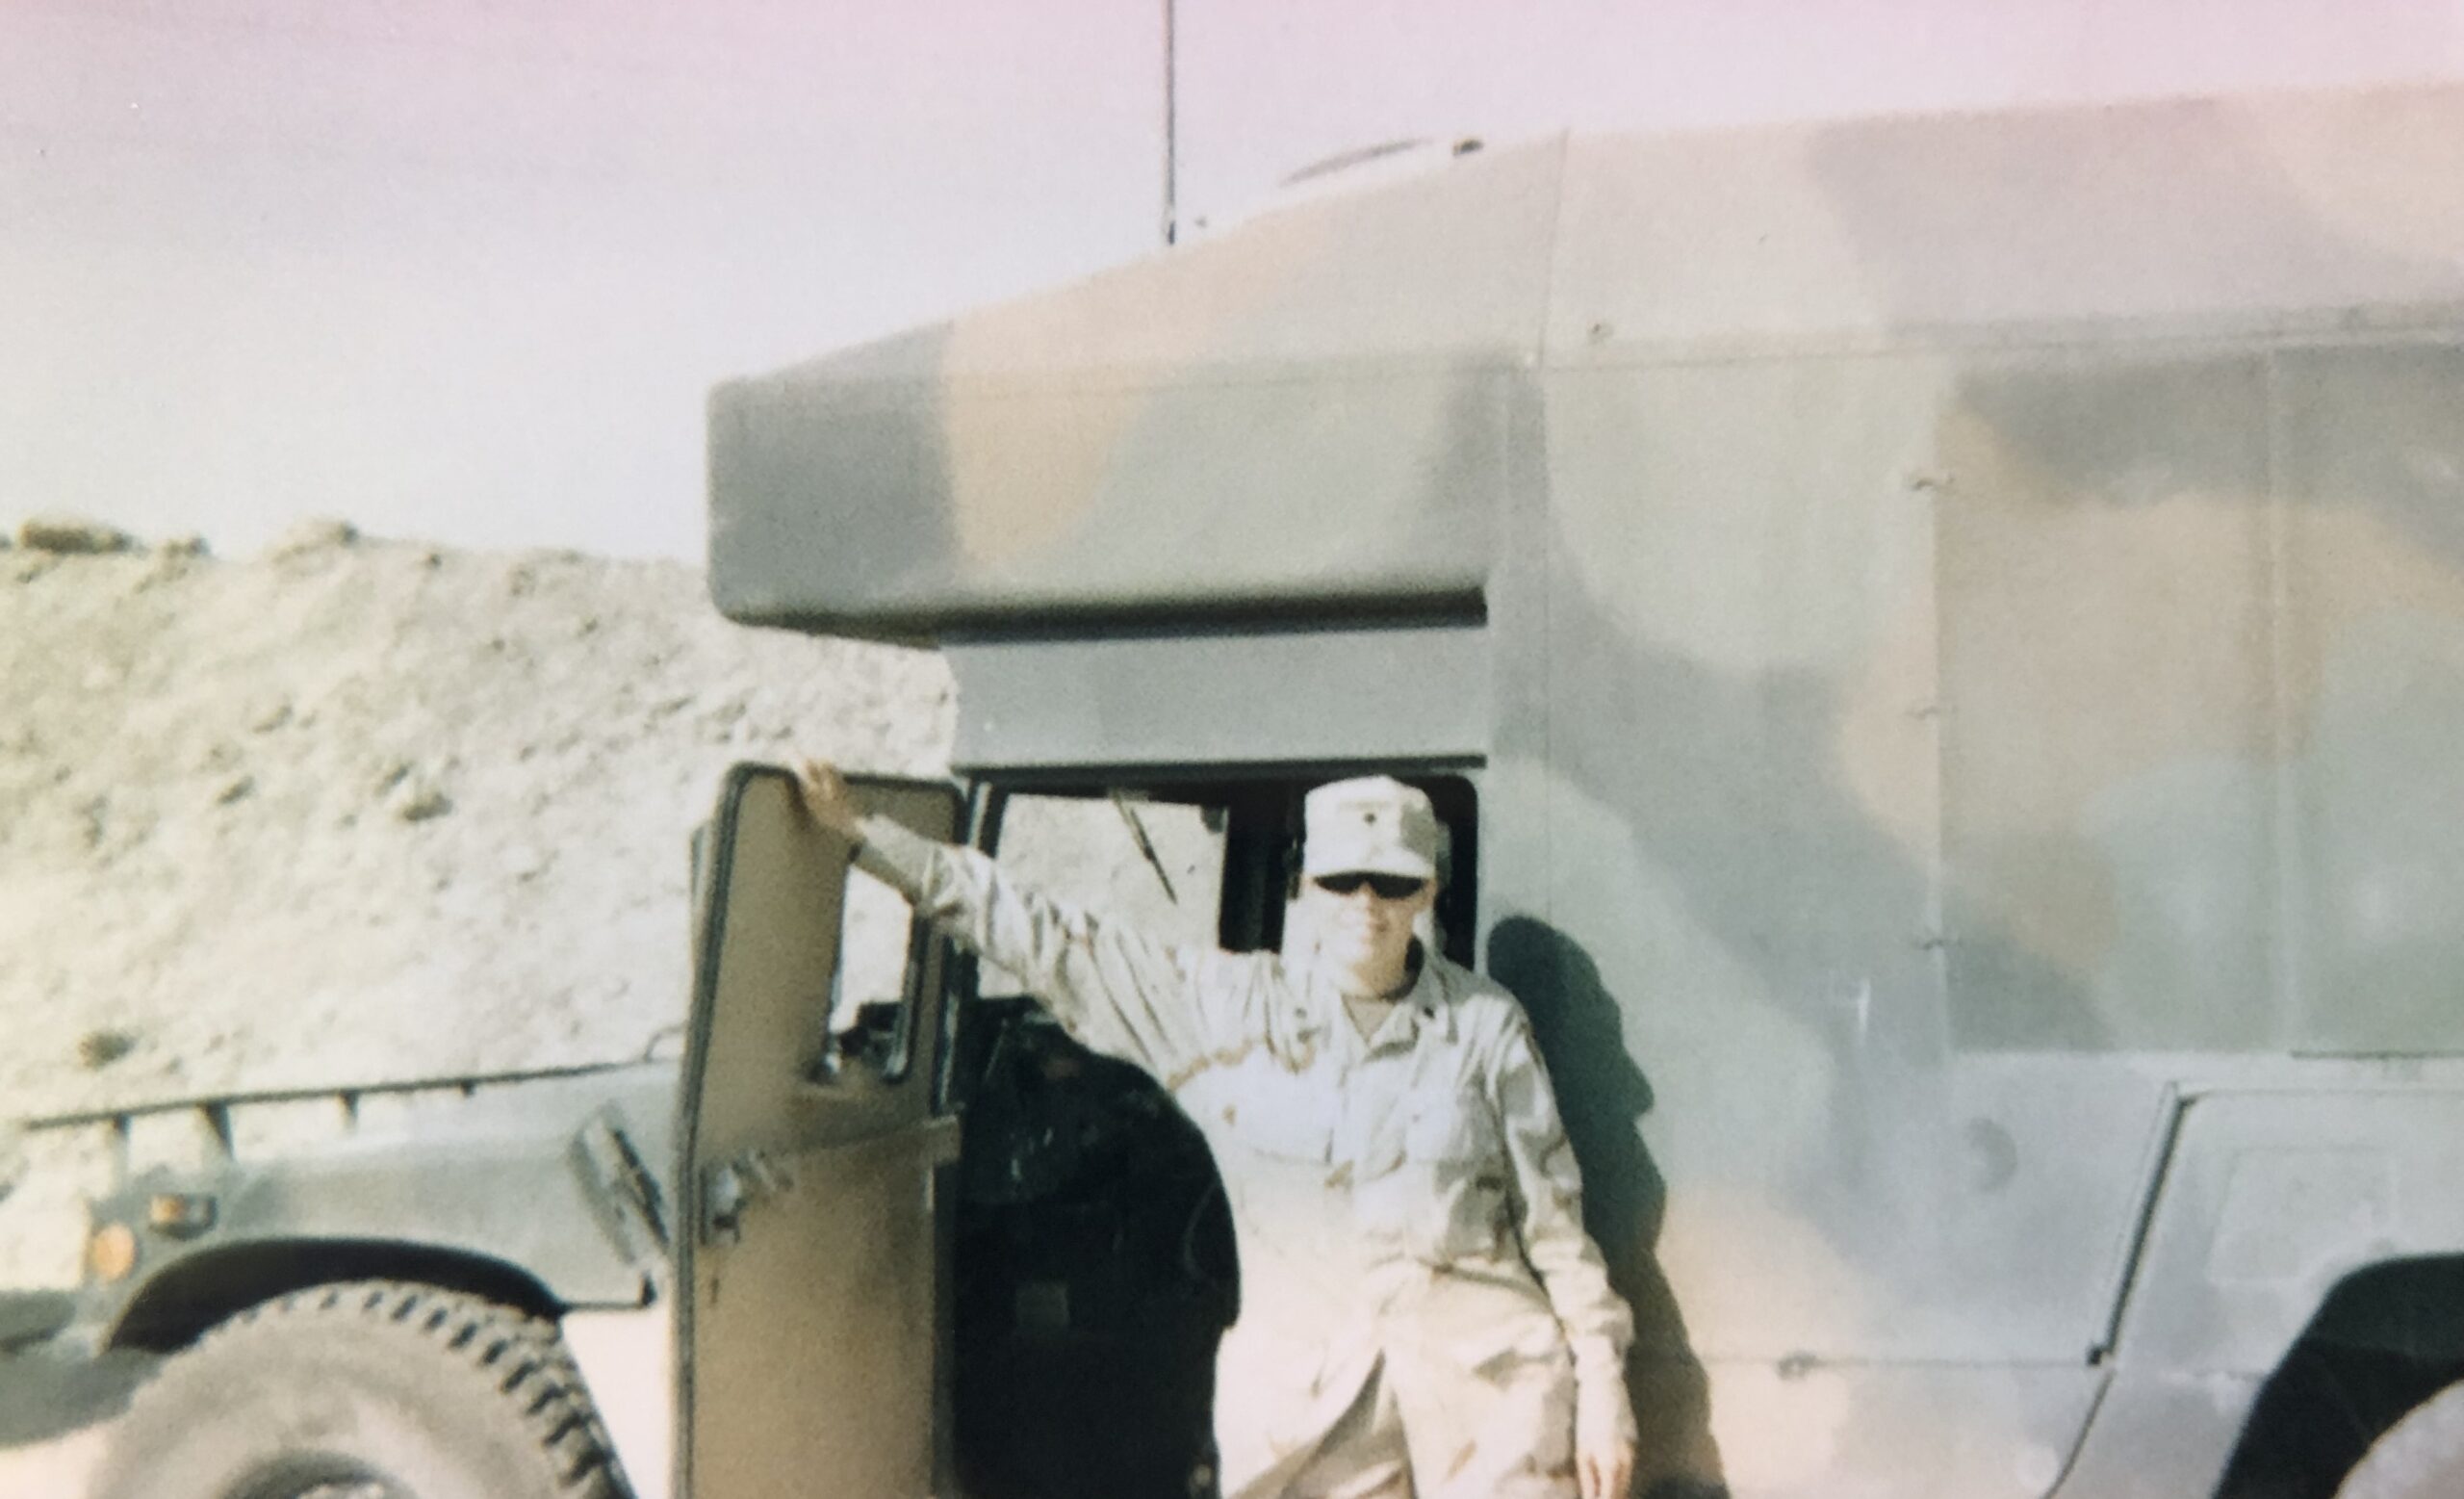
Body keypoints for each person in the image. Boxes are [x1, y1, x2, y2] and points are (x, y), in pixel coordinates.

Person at [797, 761, 1638, 1499]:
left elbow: (1557, 1232)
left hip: (1488, 1410)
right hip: (1312, 1422)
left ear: (1428, 890)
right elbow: (1049, 936)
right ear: (1306, 882)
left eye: (1393, 882)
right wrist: (870, 839)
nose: (1367, 906)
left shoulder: (1486, 1027)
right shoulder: (1225, 1011)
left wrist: (1604, 1393)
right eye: (1344, 880)